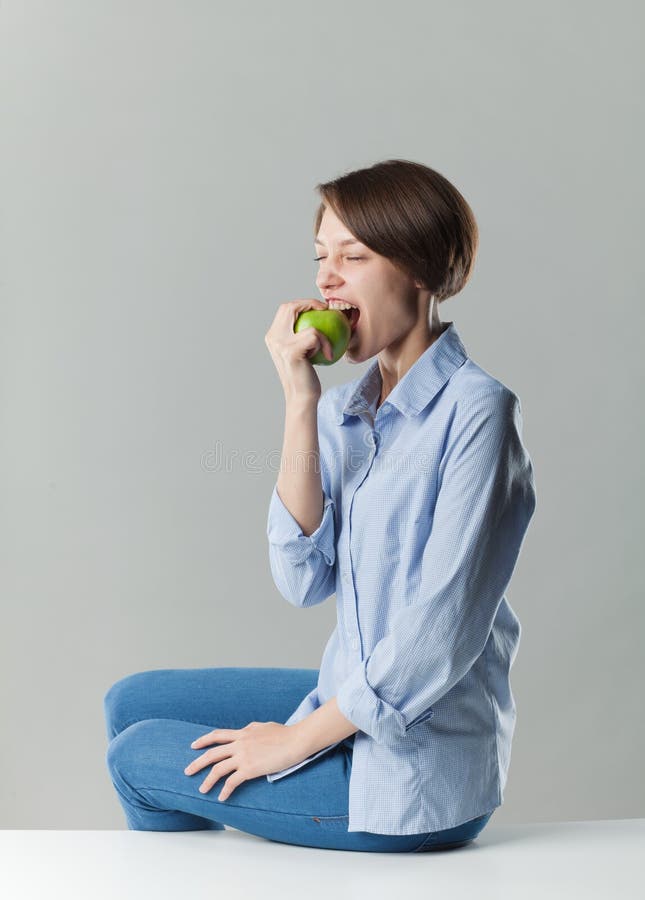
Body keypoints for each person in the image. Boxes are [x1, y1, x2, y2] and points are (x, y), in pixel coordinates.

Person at [104, 158, 536, 853]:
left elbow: (442, 634)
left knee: (137, 756)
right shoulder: (344, 411)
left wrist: (291, 744)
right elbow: (301, 580)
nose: (325, 277)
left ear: (422, 270)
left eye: (353, 256)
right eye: (319, 257)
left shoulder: (477, 413)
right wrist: (300, 403)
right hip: (357, 699)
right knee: (131, 703)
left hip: (411, 777)